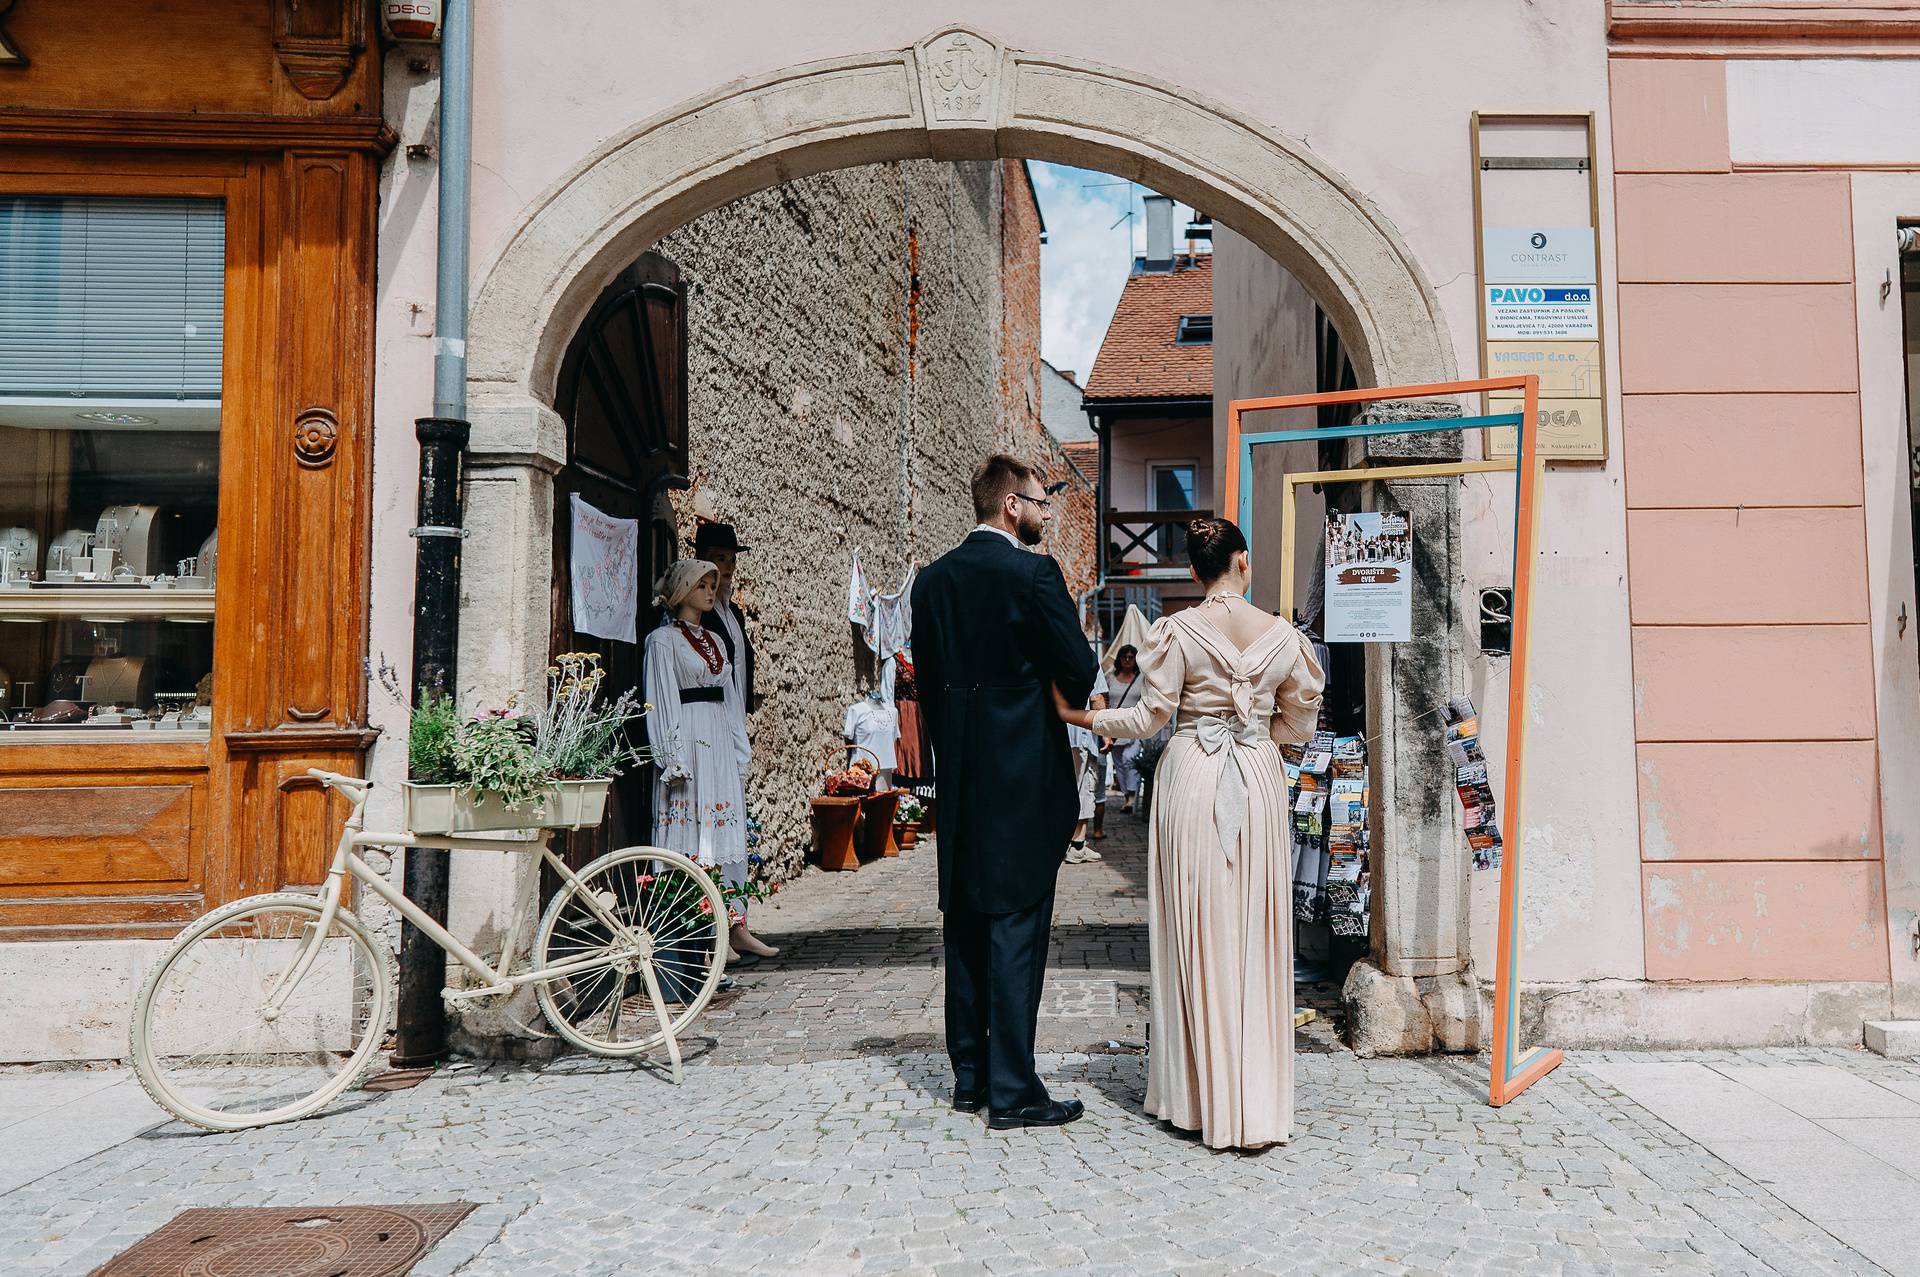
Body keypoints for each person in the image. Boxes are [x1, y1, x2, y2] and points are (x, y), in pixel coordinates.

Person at [1056, 517, 1324, 1151]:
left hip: (1191, 774)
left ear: (1195, 573)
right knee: (1255, 927)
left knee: (1194, 924)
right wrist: (1257, 734)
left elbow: (1149, 719)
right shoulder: (1284, 637)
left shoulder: (1176, 633)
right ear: (1244, 562)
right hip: (1256, 776)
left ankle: (1199, 1098)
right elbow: (1302, 725)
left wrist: (1085, 716)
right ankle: (1255, 1099)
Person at [911, 455, 1098, 1130]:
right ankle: (1014, 1089)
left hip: (961, 773)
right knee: (1017, 927)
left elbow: (926, 686)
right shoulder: (1032, 574)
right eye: (1042, 502)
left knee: (964, 923)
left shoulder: (930, 585)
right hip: (1024, 776)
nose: (1047, 513)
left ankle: (970, 1076)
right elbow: (1079, 669)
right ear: (1010, 505)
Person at [644, 558, 779, 966]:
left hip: (718, 737)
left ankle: (734, 925)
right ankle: (699, 931)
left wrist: (740, 750)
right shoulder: (662, 642)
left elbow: (732, 700)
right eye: (701, 584)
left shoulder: (717, 643)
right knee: (691, 832)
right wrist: (672, 758)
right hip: (689, 737)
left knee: (723, 830)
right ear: (683, 589)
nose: (708, 591)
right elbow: (661, 699)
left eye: (711, 583)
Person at [1065, 668, 1108, 863]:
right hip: (1080, 731)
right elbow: (1097, 698)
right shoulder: (1086, 658)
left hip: (1055, 733)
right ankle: (1077, 845)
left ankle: (1071, 843)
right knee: (1083, 786)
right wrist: (1107, 732)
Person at [1105, 644, 1145, 815]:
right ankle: (1126, 796)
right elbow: (1104, 698)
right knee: (1119, 764)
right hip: (1115, 725)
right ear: (1119, 659)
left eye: (1131, 657)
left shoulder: (1141, 678)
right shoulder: (1110, 678)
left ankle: (1132, 796)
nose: (1128, 660)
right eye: (1124, 657)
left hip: (1134, 725)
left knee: (1130, 759)